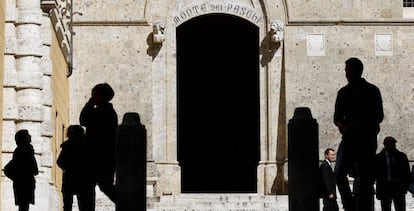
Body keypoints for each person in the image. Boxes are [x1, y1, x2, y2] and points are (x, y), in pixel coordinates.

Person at [333, 57, 384, 211]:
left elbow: (379, 116)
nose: (346, 74)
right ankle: (349, 204)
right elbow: (336, 117)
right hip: (348, 138)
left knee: (366, 178)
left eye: (348, 70)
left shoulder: (372, 90)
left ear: (358, 71)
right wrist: (342, 125)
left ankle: (364, 207)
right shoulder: (343, 92)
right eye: (346, 71)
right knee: (339, 172)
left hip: (366, 139)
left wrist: (360, 124)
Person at [80, 83, 118, 205]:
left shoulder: (102, 111)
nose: (92, 97)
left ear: (102, 96)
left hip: (98, 156)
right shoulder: (108, 111)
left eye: (95, 94)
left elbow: (83, 120)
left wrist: (89, 104)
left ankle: (126, 203)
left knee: (98, 186)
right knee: (100, 185)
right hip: (102, 155)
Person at [57, 125, 95, 211]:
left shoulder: (67, 146)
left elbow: (59, 162)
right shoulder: (87, 145)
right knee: (84, 205)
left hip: (73, 179)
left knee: (69, 206)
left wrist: (67, 168)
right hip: (84, 179)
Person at [374, 137, 411, 211]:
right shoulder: (401, 156)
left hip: (393, 186)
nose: (390, 146)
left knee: (390, 207)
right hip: (390, 186)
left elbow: (406, 173)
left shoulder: (379, 158)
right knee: (397, 207)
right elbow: (406, 172)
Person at [11, 130, 39, 211]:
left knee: (23, 206)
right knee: (24, 206)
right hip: (25, 182)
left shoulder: (19, 150)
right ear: (24, 138)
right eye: (28, 135)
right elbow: (33, 168)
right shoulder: (26, 149)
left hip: (21, 182)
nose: (30, 136)